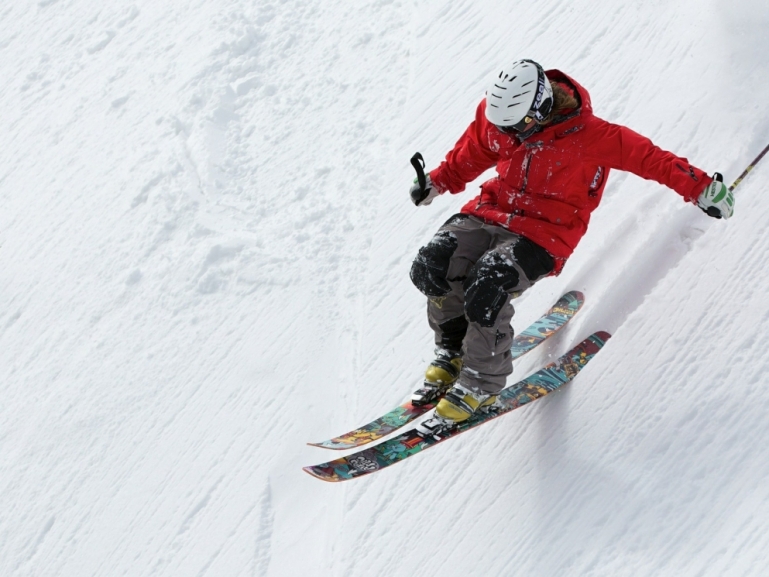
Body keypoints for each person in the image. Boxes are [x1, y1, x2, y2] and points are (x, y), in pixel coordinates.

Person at [409, 59, 734, 436]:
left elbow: (652, 160)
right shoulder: (501, 117)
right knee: (432, 264)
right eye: (503, 126)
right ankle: (453, 350)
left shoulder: (593, 137)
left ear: (541, 106)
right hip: (492, 211)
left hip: (545, 233)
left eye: (516, 126)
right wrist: (439, 180)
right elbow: (477, 148)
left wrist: (701, 187)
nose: (509, 134)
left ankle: (481, 381)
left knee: (487, 284)